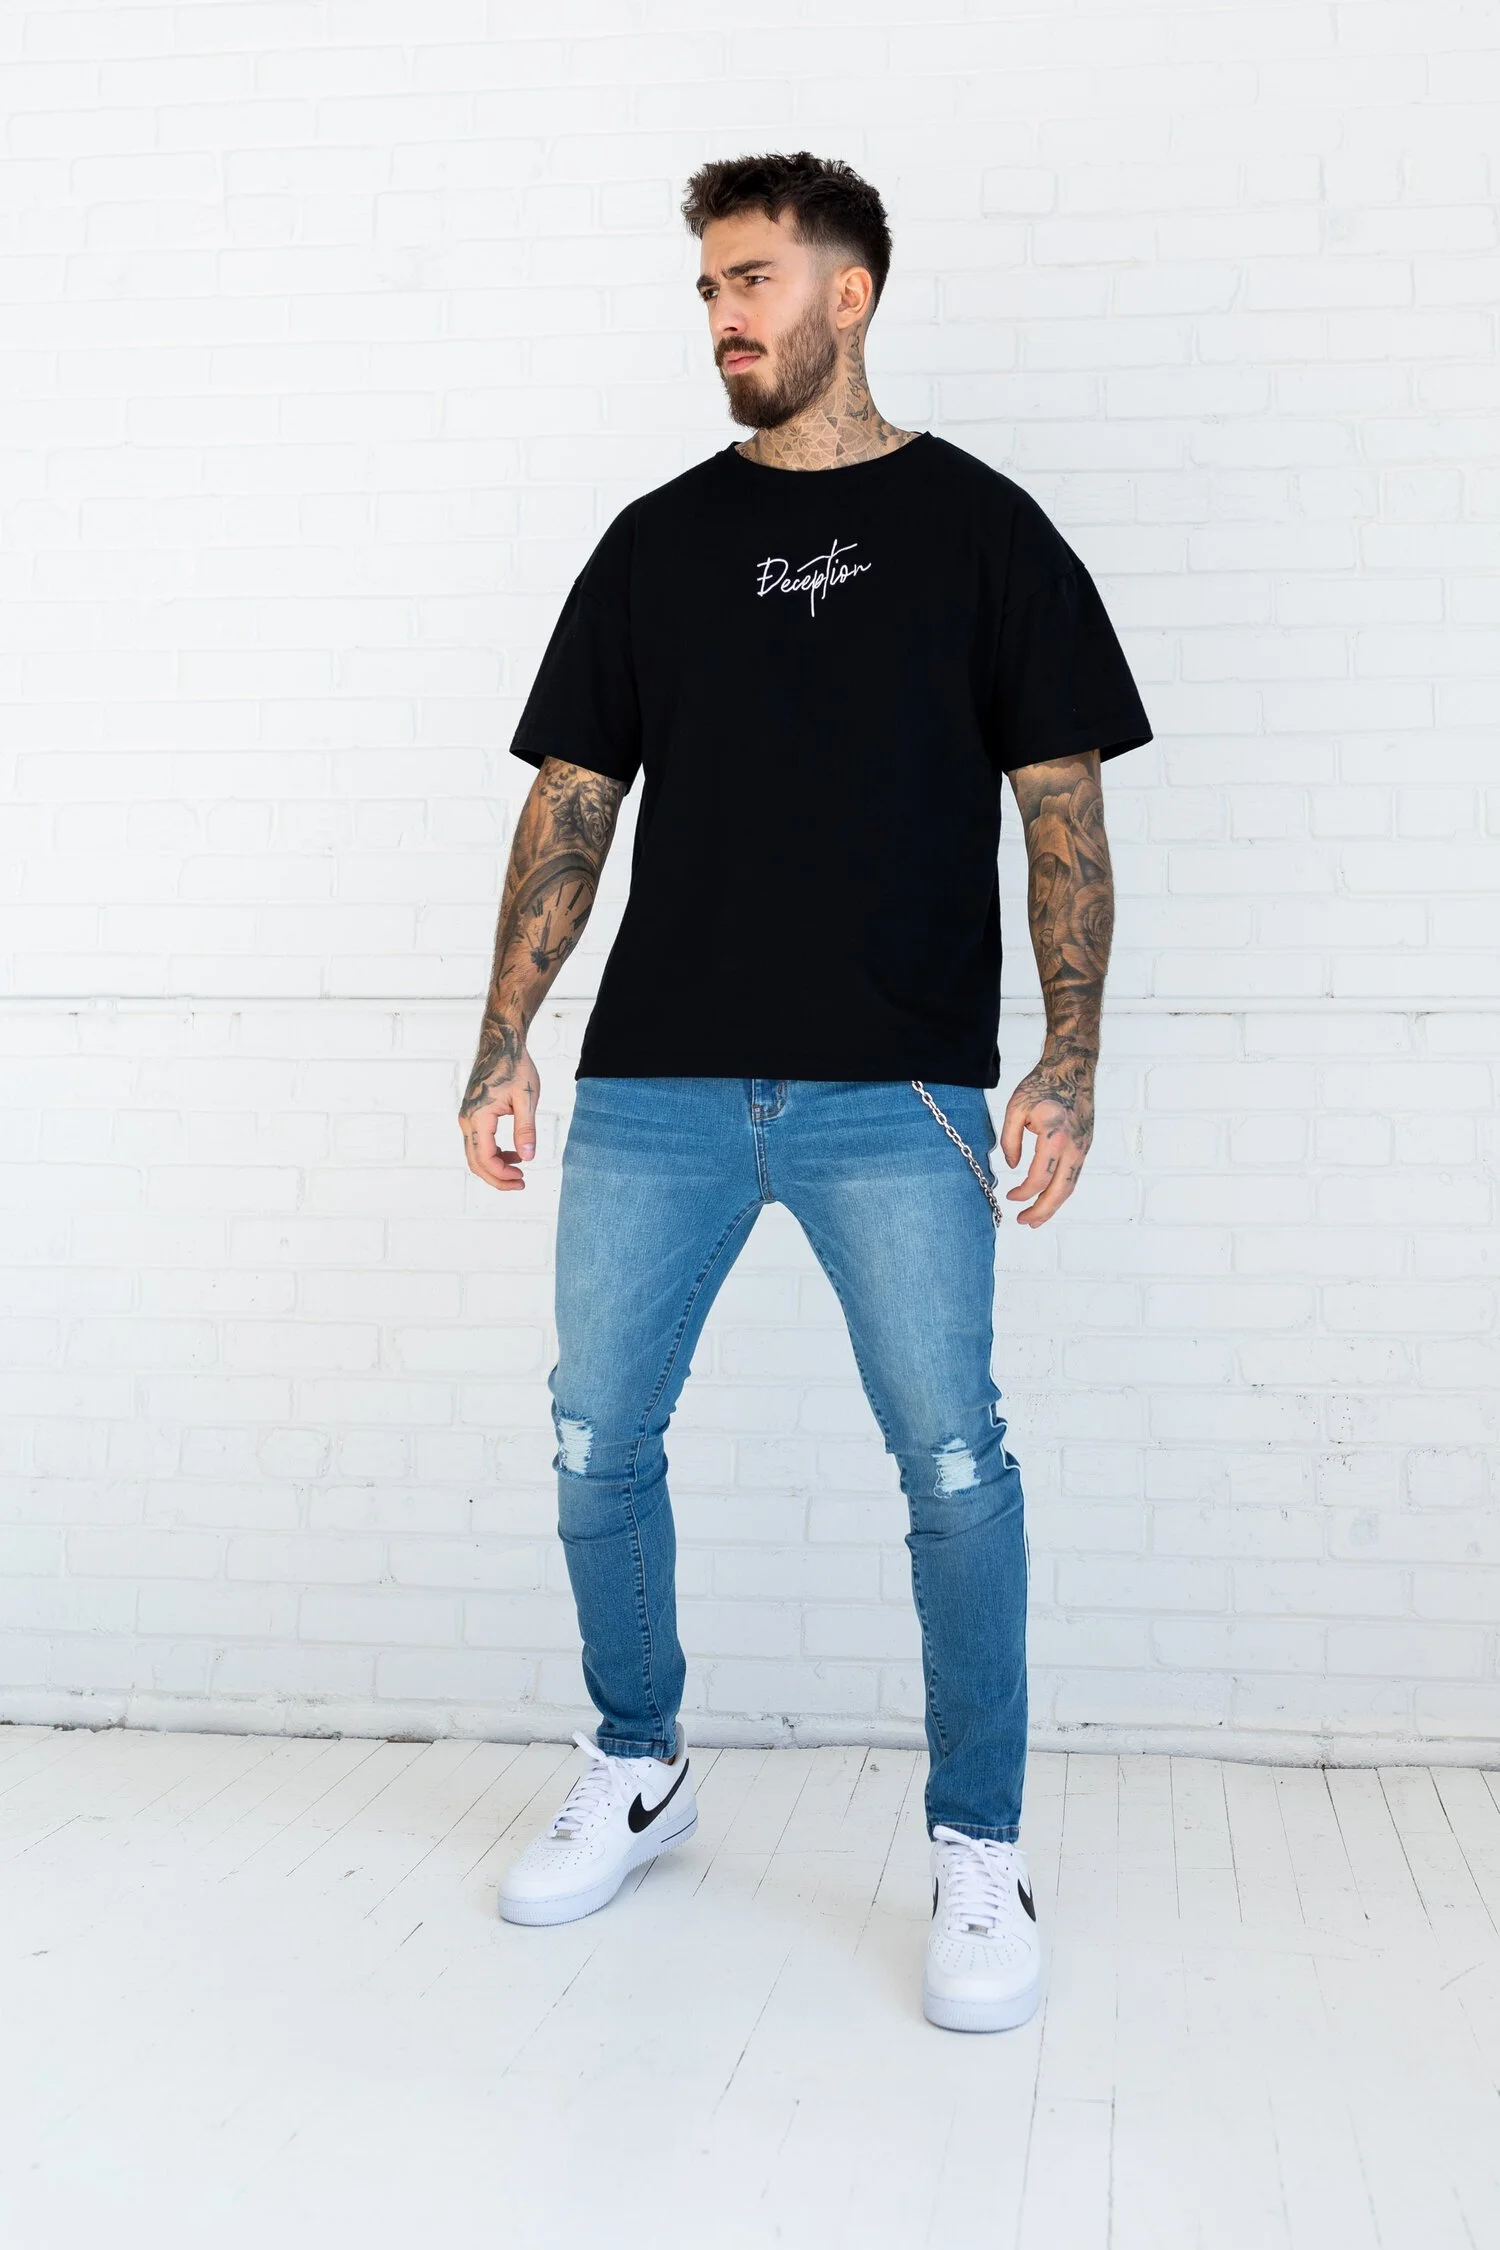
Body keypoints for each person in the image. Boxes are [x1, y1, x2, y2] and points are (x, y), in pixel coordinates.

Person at [459, 152, 1151, 2033]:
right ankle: (639, 1755)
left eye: (753, 279)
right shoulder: (655, 542)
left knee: (950, 1466)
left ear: (849, 292)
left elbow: (1064, 819)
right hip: (659, 1085)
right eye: (706, 289)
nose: (724, 316)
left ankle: (979, 1841)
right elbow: (571, 807)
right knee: (596, 1440)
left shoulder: (989, 534)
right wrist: (503, 1028)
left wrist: (1067, 1061)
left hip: (898, 1097)